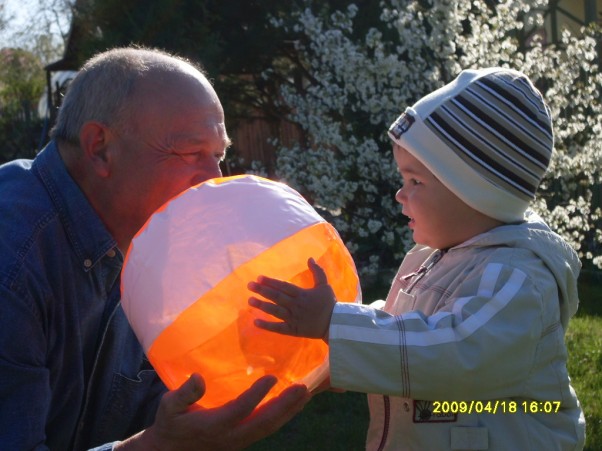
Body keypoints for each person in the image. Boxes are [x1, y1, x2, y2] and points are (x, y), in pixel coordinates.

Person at [248, 67, 586, 450]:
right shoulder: (432, 258)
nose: (399, 194)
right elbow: (410, 328)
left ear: (475, 191)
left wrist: (334, 324)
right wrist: (340, 348)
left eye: (415, 181)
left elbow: (455, 353)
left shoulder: (519, 277)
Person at [0, 46, 309, 451]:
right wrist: (158, 446)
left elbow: (168, 410)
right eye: (191, 152)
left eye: (218, 157)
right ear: (99, 148)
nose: (213, 180)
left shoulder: (155, 237)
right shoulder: (13, 263)